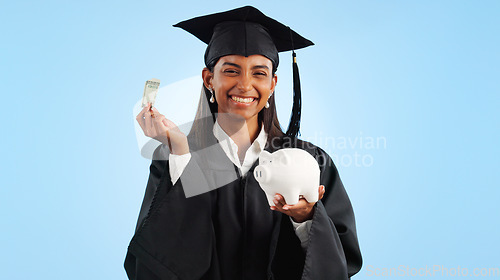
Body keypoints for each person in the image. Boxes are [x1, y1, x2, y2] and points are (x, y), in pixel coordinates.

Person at [125, 6, 362, 280]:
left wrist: (305, 218)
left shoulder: (310, 159)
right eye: (231, 71)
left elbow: (343, 263)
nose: (245, 85)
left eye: (259, 73)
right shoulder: (174, 155)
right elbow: (151, 260)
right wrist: (182, 156)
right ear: (208, 79)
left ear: (273, 84)